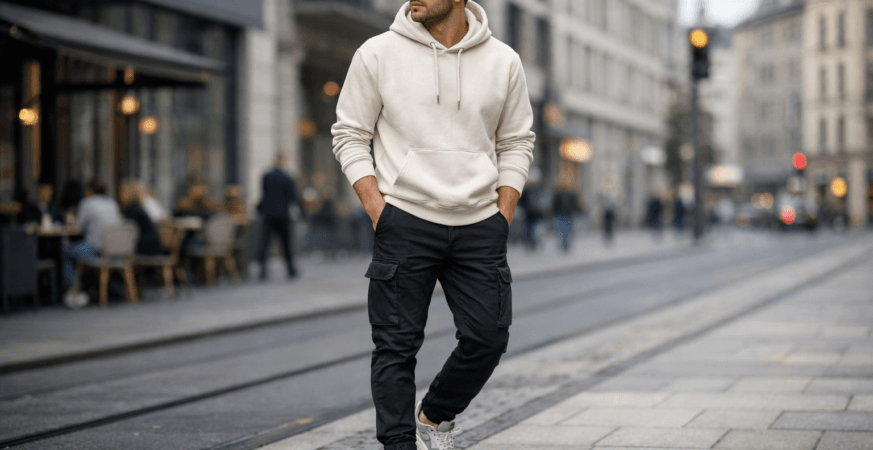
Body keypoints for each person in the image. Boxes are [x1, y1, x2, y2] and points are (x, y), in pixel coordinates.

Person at [331, 1, 536, 448]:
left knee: (488, 338)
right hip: (404, 219)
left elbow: (517, 141)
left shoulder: (503, 60)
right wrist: (379, 210)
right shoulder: (377, 53)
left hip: (480, 223)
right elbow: (349, 134)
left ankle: (436, 415)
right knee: (395, 346)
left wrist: (502, 214)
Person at [63, 179, 122, 306]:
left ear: (89, 190)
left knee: (68, 252)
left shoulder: (87, 203)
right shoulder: (112, 202)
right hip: (116, 251)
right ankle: (91, 289)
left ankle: (74, 292)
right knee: (81, 251)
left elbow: (78, 227)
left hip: (97, 249)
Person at [257, 154, 300, 279]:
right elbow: (293, 197)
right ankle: (290, 269)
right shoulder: (287, 178)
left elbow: (264, 194)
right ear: (283, 162)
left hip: (268, 214)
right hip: (282, 215)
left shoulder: (266, 176)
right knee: (285, 244)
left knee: (265, 243)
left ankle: (262, 270)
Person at [118, 179, 164, 256]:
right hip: (153, 247)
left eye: (122, 191)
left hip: (147, 250)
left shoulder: (132, 210)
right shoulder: (137, 207)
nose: (119, 195)